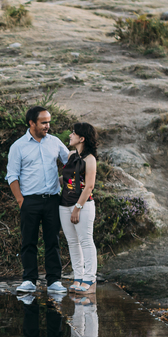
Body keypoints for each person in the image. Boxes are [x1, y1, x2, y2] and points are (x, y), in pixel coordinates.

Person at [5, 106, 70, 294]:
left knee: (53, 241)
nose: (47, 126)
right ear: (31, 123)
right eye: (43, 122)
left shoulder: (55, 142)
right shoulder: (18, 146)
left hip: (52, 200)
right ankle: (29, 280)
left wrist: (66, 180)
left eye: (49, 122)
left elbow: (70, 164)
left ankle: (54, 281)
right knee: (29, 241)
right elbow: (12, 176)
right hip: (29, 201)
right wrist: (20, 201)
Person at [59, 122, 98, 294]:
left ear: (82, 138)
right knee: (72, 242)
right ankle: (78, 277)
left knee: (86, 241)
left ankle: (90, 279)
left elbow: (89, 186)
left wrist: (77, 208)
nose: (70, 135)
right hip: (64, 204)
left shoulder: (90, 160)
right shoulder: (71, 155)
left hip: (83, 205)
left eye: (73, 133)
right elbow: (65, 179)